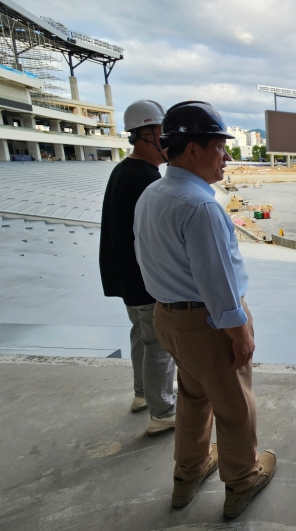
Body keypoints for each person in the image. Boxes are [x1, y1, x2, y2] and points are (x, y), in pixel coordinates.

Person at [133, 101, 276, 518]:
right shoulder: (202, 206)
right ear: (193, 150)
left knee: (194, 397)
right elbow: (217, 283)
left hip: (168, 317)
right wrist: (240, 333)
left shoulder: (152, 193)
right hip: (207, 321)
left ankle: (187, 476)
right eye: (219, 146)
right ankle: (242, 482)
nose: (227, 156)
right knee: (235, 406)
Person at [99, 99, 177, 436]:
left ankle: (142, 394)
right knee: (159, 344)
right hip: (145, 281)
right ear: (145, 135)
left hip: (126, 279)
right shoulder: (145, 178)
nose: (167, 141)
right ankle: (162, 412)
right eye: (162, 133)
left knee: (140, 337)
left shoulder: (123, 171)